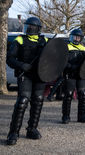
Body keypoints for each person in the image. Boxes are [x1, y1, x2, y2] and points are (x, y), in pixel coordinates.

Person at [6, 17, 48, 145]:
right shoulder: (19, 39)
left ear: (37, 28)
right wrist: (21, 65)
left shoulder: (44, 40)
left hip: (39, 75)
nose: (28, 29)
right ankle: (13, 132)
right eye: (27, 26)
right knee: (23, 101)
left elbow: (52, 57)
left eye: (31, 27)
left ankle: (32, 129)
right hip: (26, 75)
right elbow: (10, 59)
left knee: (38, 100)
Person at [61, 29, 85, 124]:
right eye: (74, 36)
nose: (76, 39)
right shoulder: (66, 47)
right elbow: (62, 61)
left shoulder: (84, 48)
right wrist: (71, 66)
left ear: (81, 38)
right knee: (68, 94)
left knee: (83, 94)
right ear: (71, 37)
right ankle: (66, 116)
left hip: (81, 75)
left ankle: (81, 116)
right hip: (70, 74)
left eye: (78, 37)